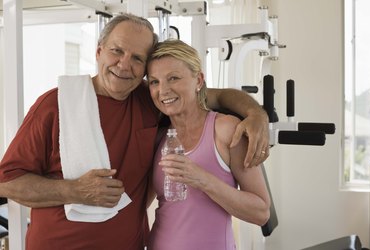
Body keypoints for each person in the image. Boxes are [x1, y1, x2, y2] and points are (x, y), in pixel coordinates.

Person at [0, 13, 268, 250]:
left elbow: (219, 97)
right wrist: (74, 191)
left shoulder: (152, 99)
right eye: (117, 51)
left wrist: (256, 114)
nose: (124, 65)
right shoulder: (54, 106)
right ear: (99, 51)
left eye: (137, 58)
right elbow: (7, 182)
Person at [146, 39, 271, 250]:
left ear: (198, 80)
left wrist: (202, 179)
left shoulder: (225, 129)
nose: (163, 90)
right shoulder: (158, 136)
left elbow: (261, 212)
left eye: (173, 78)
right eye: (154, 82)